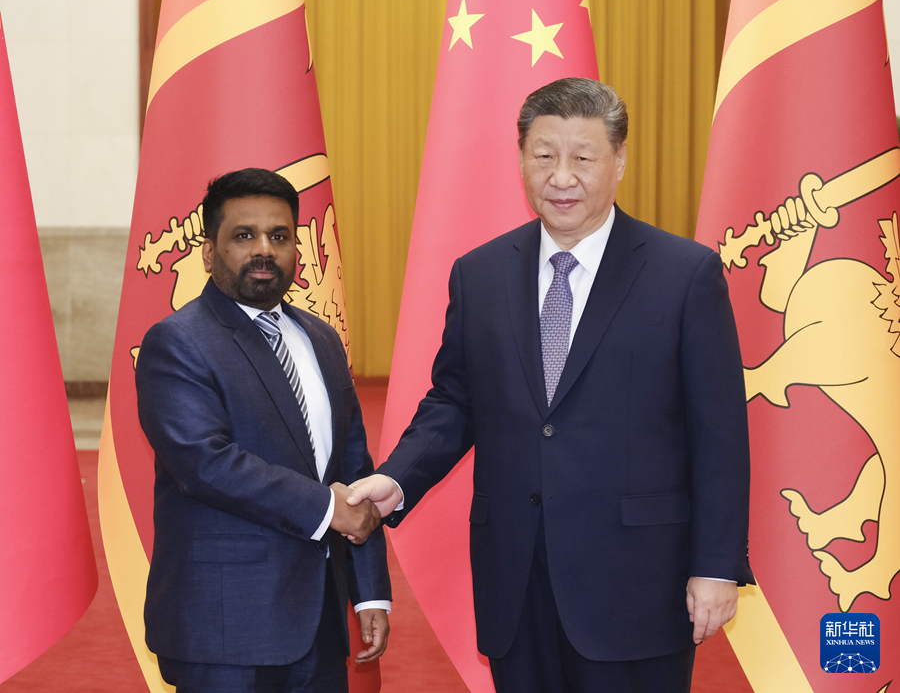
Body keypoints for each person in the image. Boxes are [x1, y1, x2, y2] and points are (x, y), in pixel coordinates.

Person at [347, 78, 753, 692]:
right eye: (544, 156)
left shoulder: (684, 274)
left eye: (583, 158)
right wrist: (398, 476)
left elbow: (719, 433)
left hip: (638, 581)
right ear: (521, 159)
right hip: (518, 577)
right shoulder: (480, 274)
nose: (562, 177)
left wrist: (717, 566)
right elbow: (456, 399)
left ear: (619, 161)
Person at [135, 168, 391, 693]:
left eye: (279, 236)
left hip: (320, 623)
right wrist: (327, 509)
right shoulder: (177, 342)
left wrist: (369, 591)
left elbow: (353, 470)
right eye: (244, 235)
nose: (264, 250)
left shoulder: (322, 338)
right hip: (226, 627)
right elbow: (206, 463)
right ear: (209, 253)